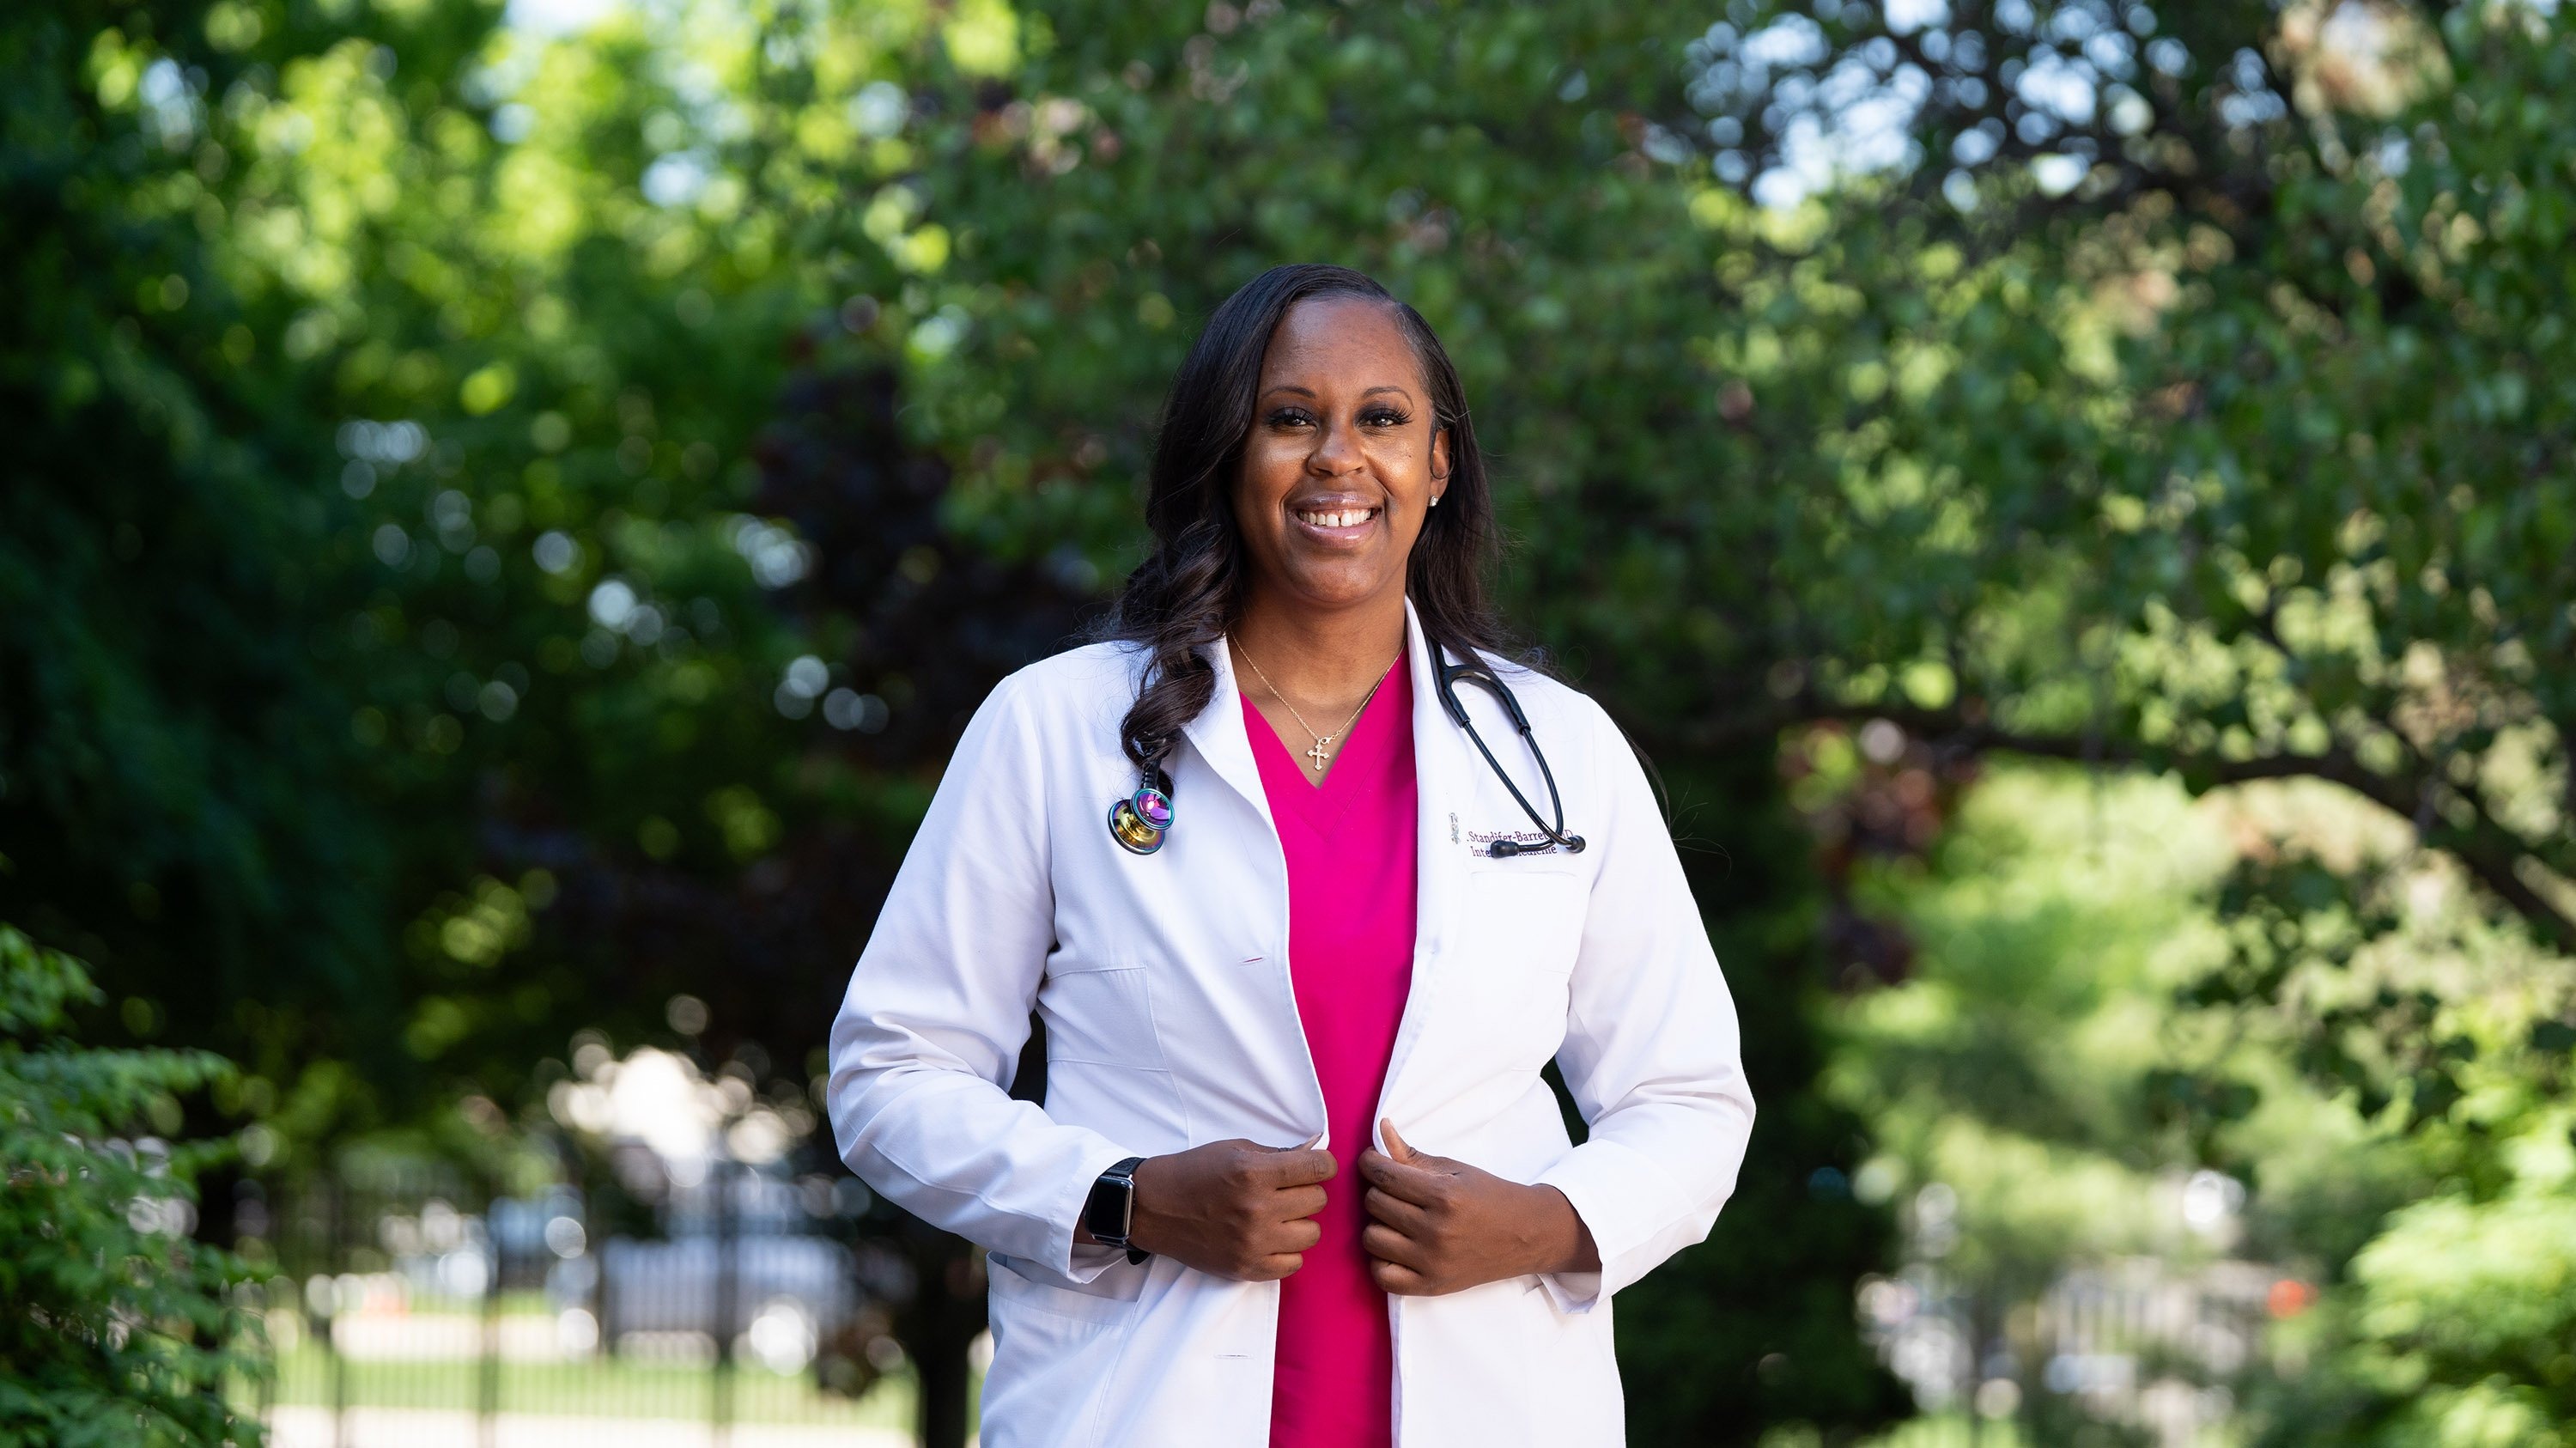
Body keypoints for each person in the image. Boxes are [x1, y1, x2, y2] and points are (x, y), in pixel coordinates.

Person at [827, 264, 1753, 1448]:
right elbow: (890, 1073)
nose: (1337, 457)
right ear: (1227, 452)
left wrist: (1542, 1222)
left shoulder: (1558, 749)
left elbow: (1689, 1100)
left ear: (1438, 464)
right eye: (1290, 418)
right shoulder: (1054, 731)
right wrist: (1126, 1196)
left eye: (1381, 419)